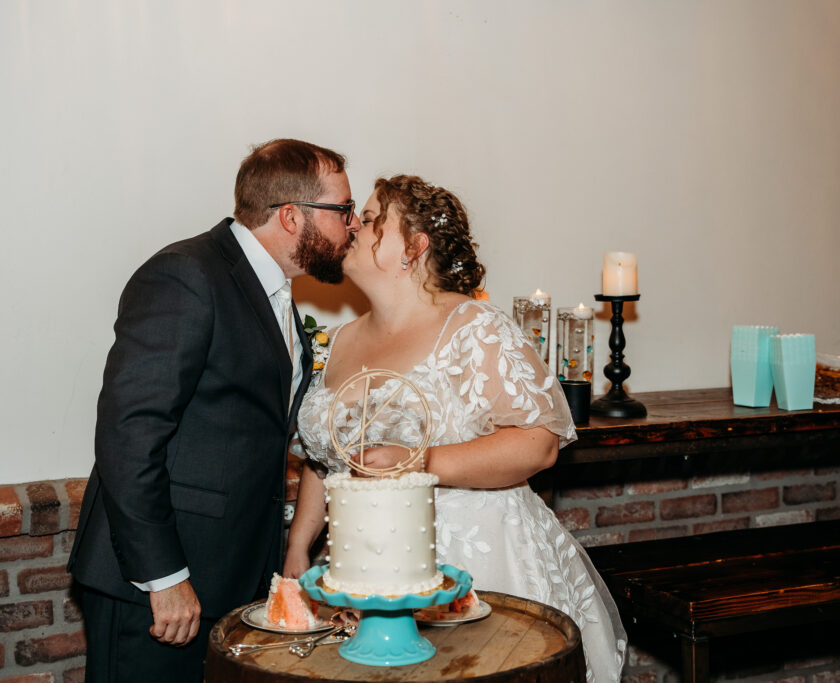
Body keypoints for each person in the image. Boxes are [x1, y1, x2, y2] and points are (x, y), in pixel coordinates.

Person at [284, 174, 627, 682]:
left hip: (475, 558)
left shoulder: (475, 328)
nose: (354, 224)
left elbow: (538, 443)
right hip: (367, 564)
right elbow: (326, 455)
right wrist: (298, 545)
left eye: (374, 217)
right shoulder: (337, 340)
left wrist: (419, 462)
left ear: (414, 248)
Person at [67, 138, 359, 682]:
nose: (355, 225)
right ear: (292, 216)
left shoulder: (274, 290)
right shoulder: (187, 276)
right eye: (344, 211)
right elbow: (129, 435)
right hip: (159, 588)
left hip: (230, 579)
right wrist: (164, 576)